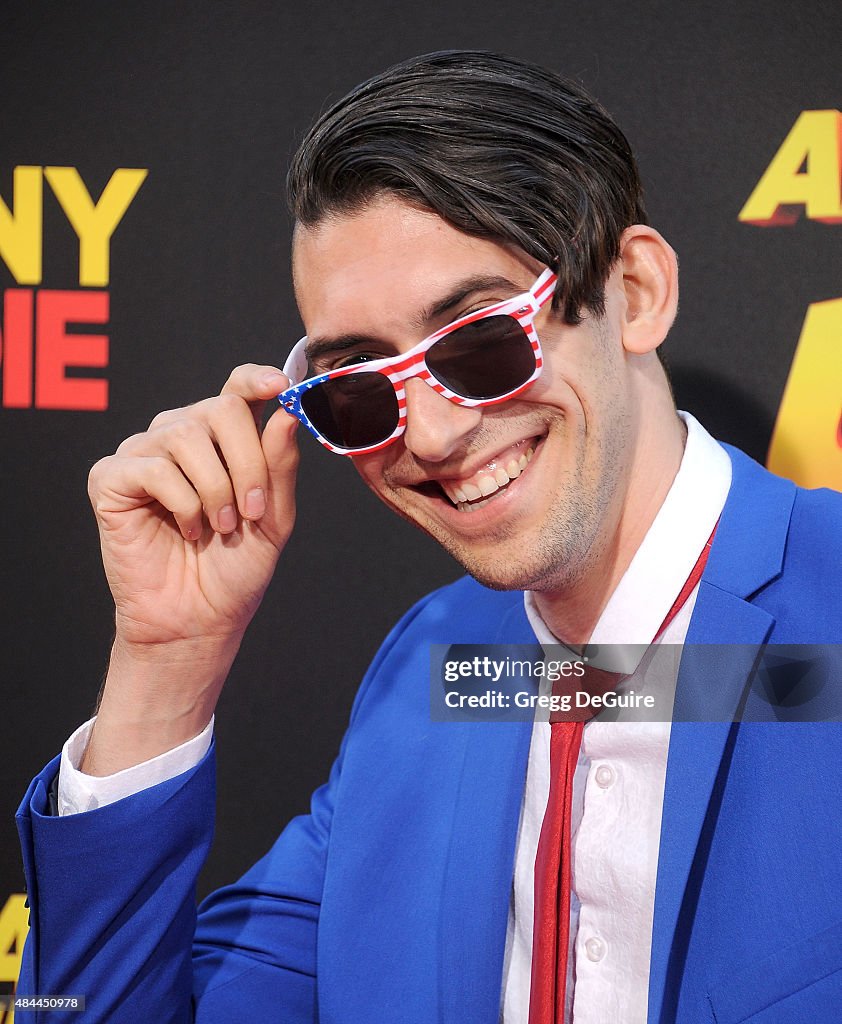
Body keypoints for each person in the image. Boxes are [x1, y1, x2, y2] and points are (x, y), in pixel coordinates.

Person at [15, 50, 842, 1024]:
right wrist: (166, 660)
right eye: (359, 389)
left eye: (481, 343)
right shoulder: (432, 676)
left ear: (634, 290)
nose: (436, 434)